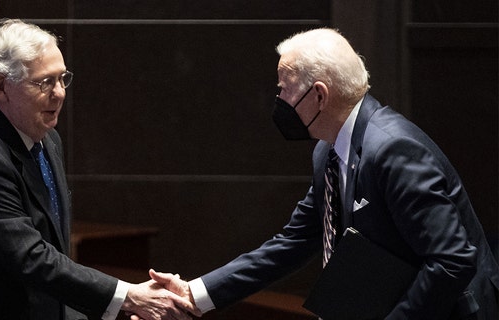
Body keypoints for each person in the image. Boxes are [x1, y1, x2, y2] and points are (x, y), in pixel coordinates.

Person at [146, 28, 499, 319]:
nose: (279, 97)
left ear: (318, 95)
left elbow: (452, 260)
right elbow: (294, 242)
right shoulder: (328, 151)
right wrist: (196, 293)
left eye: (284, 87)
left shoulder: (392, 149)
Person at [0, 19, 200, 320]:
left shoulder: (47, 139)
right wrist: (128, 296)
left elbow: (55, 252)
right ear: (3, 87)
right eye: (44, 82)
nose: (59, 93)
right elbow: (32, 259)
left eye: (62, 78)